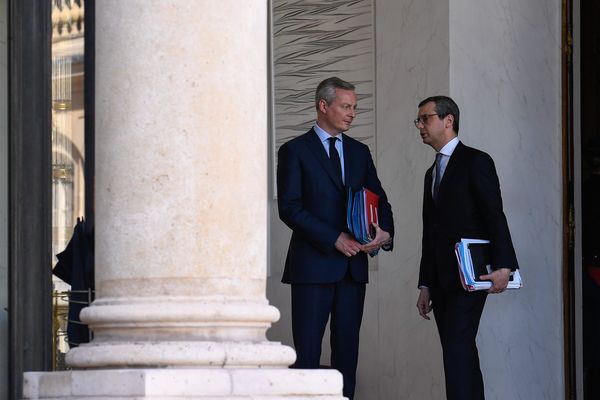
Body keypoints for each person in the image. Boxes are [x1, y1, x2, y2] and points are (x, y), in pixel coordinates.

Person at [277, 77, 394, 399]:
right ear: (323, 106)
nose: (352, 113)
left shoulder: (359, 151)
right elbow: (289, 208)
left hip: (353, 270)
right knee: (308, 354)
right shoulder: (294, 151)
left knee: (347, 352)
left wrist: (385, 232)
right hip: (312, 267)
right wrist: (334, 238)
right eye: (346, 106)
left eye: (355, 107)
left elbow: (379, 199)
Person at [414, 96, 518, 399]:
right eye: (418, 120)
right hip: (441, 280)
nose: (420, 125)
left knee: (456, 352)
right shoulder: (430, 173)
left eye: (426, 118)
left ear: (449, 120)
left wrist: (504, 266)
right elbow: (429, 233)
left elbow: (493, 214)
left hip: (470, 277)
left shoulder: (476, 160)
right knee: (459, 352)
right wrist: (425, 284)